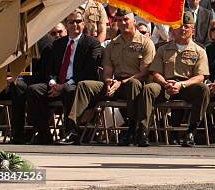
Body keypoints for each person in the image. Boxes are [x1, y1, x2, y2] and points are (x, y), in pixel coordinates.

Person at [58, 9, 155, 145]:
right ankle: (73, 129)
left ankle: (132, 129)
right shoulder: (112, 44)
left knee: (133, 84)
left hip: (134, 85)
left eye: (126, 19)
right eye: (119, 20)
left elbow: (144, 73)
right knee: (84, 85)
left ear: (134, 21)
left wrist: (121, 83)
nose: (122, 23)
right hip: (115, 85)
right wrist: (108, 80)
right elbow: (107, 69)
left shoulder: (146, 43)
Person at [26, 10, 101, 144]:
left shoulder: (92, 44)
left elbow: (89, 71)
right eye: (71, 22)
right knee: (34, 89)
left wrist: (65, 85)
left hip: (76, 85)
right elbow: (50, 68)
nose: (75, 25)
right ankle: (43, 133)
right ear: (66, 25)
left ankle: (71, 132)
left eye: (78, 21)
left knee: (69, 90)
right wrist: (52, 83)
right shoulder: (58, 44)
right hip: (57, 84)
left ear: (83, 24)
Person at [138, 12, 210, 147]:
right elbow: (155, 72)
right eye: (179, 26)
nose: (183, 29)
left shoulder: (200, 51)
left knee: (203, 89)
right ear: (172, 30)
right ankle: (143, 131)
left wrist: (181, 84)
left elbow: (201, 76)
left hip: (187, 86)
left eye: (186, 27)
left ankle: (191, 133)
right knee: (148, 89)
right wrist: (165, 83)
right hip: (165, 85)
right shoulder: (163, 49)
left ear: (192, 30)